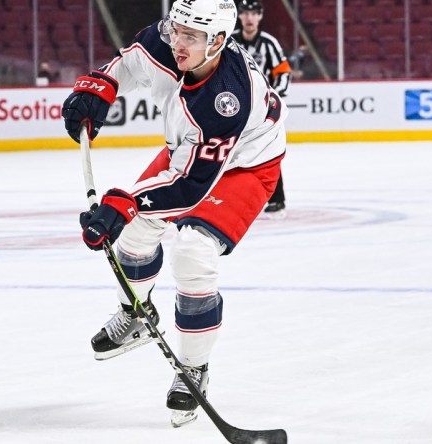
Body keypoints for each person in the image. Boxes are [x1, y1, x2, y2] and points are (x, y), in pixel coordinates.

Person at [62, 0, 287, 428]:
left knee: (192, 253)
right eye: (176, 29)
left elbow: (187, 188)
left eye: (191, 36)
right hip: (191, 154)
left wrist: (123, 204)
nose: (177, 42)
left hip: (246, 167)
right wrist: (99, 88)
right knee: (131, 237)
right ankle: (137, 314)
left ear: (218, 42)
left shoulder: (226, 100)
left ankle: (194, 369)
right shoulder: (173, 40)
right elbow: (130, 64)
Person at [232, 0, 290, 217]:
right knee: (228, 152)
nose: (249, 17)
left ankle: (277, 199)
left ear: (260, 16)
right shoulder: (229, 42)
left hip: (264, 111)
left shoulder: (269, 43)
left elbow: (283, 71)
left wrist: (275, 96)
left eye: (254, 13)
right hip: (233, 108)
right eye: (246, 13)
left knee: (268, 151)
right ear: (239, 16)